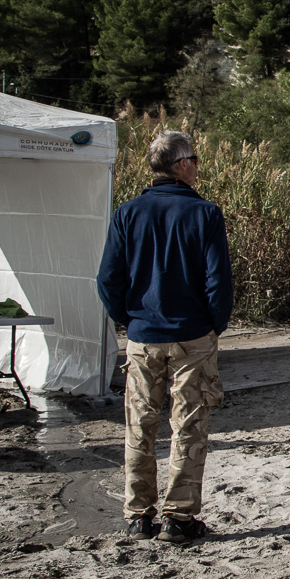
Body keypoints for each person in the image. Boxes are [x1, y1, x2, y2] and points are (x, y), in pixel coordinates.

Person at [97, 130, 232, 545]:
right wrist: (213, 325)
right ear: (181, 165)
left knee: (140, 425)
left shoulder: (127, 213)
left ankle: (139, 515)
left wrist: (130, 319)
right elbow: (218, 281)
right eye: (194, 158)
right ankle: (179, 517)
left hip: (143, 336)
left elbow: (107, 279)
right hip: (192, 335)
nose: (197, 165)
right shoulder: (205, 213)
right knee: (189, 425)